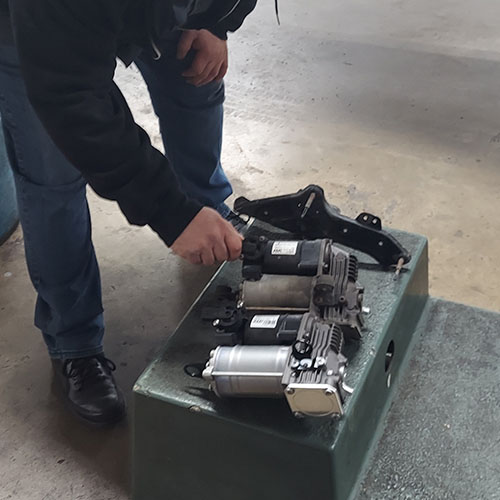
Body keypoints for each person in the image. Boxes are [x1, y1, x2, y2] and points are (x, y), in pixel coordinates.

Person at [0, 0, 257, 425]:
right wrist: (170, 211)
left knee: (196, 77)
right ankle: (73, 340)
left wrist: (216, 21)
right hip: (29, 22)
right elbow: (70, 95)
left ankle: (211, 215)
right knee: (52, 172)